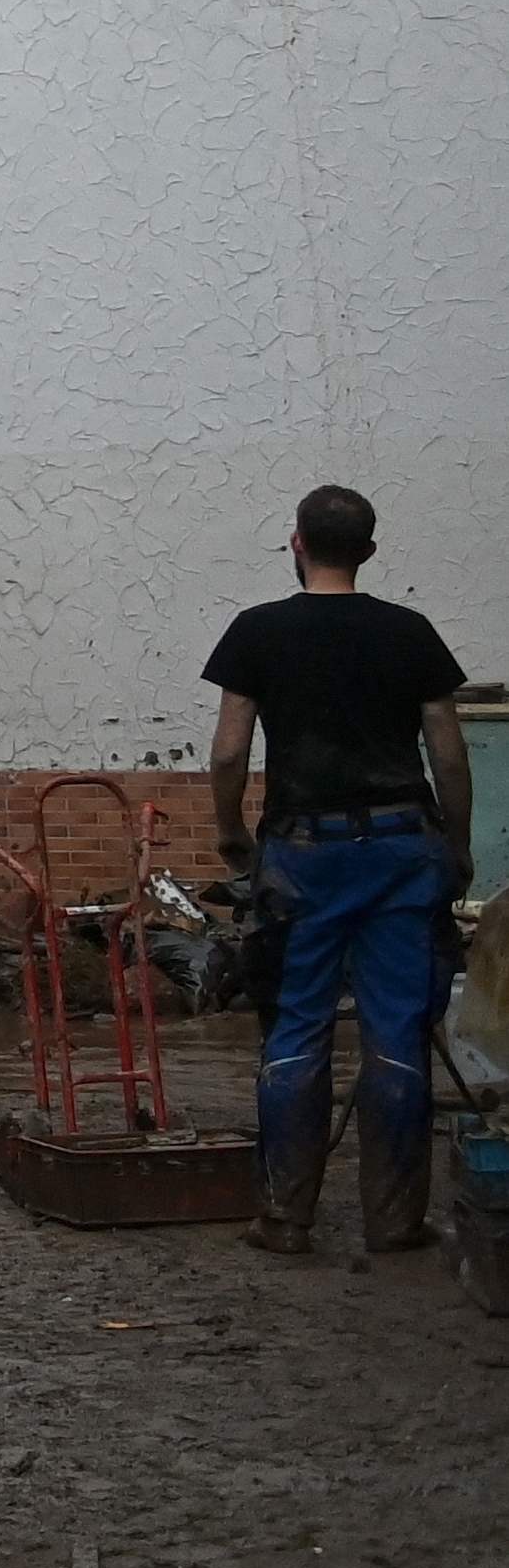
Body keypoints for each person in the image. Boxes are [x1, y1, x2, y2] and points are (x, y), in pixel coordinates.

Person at [207, 484, 476, 1257]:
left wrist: (230, 834)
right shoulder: (409, 633)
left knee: (297, 1025)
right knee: (397, 1028)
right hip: (400, 849)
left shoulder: (257, 631)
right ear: (368, 550)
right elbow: (447, 754)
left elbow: (227, 752)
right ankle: (393, 1221)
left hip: (304, 856)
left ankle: (284, 1218)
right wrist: (455, 845)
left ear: (296, 543)